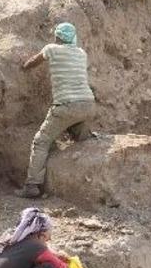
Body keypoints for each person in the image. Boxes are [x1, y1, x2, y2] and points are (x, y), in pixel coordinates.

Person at [15, 22, 97, 198]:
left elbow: (32, 63)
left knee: (41, 141)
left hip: (66, 105)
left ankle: (32, 186)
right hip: (88, 104)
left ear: (56, 37)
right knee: (82, 139)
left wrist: (21, 66)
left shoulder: (52, 48)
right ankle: (87, 181)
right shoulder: (82, 53)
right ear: (73, 38)